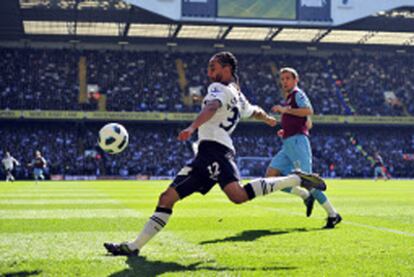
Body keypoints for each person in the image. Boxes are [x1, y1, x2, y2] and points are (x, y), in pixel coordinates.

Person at [104, 52, 327, 256]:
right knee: (168, 198)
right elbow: (254, 110)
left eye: (213, 67)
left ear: (227, 68)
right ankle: (134, 247)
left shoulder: (218, 89)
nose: (209, 72)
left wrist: (192, 128)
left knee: (237, 195)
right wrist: (267, 118)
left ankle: (297, 179)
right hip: (208, 152)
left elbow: (210, 108)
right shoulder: (238, 95)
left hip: (215, 150)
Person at [267, 67, 342, 229]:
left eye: (288, 78)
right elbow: (307, 122)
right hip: (288, 143)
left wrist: (285, 110)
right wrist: (285, 130)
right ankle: (305, 195)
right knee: (271, 177)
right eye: (282, 79)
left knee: (309, 181)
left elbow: (309, 111)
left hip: (297, 142)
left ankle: (333, 214)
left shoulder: (297, 94)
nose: (284, 81)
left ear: (295, 80)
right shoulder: (289, 98)